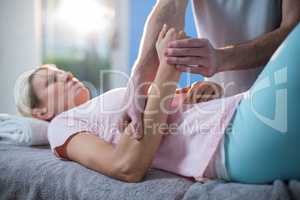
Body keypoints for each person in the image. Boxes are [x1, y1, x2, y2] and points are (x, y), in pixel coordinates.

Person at [119, 0, 300, 140]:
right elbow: (170, 5)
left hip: (280, 97)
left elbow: (294, 32)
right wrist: (138, 79)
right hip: (220, 108)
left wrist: (222, 58)